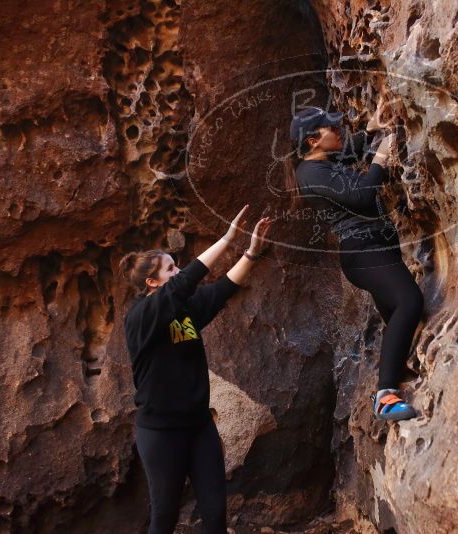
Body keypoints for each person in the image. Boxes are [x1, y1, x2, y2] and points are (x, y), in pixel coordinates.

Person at [119, 205, 272, 534]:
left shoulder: (184, 312)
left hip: (199, 427)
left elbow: (221, 291)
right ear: (151, 282)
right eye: (170, 269)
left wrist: (251, 253)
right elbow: (185, 283)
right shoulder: (141, 317)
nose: (178, 272)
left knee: (215, 513)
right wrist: (227, 238)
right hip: (161, 433)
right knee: (165, 517)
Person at [285, 98, 424, 421]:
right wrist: (381, 157)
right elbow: (361, 195)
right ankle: (385, 396)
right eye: (331, 128)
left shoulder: (320, 163)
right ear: (312, 140)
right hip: (363, 253)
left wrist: (370, 129)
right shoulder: (311, 172)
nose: (338, 130)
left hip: (374, 248)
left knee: (398, 318)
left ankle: (396, 375)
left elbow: (347, 154)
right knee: (409, 301)